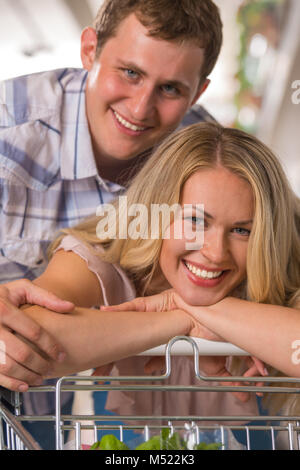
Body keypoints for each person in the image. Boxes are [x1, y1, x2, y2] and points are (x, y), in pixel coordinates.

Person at [0, 0, 222, 448]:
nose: (140, 109)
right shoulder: (9, 129)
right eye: (131, 73)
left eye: (171, 89)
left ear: (197, 92)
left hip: (51, 412)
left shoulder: (205, 160)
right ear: (89, 50)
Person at [17, 122, 300, 449]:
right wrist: (178, 320)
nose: (214, 253)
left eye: (242, 231)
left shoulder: (282, 259)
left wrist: (190, 305)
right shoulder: (105, 250)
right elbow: (29, 336)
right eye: (195, 221)